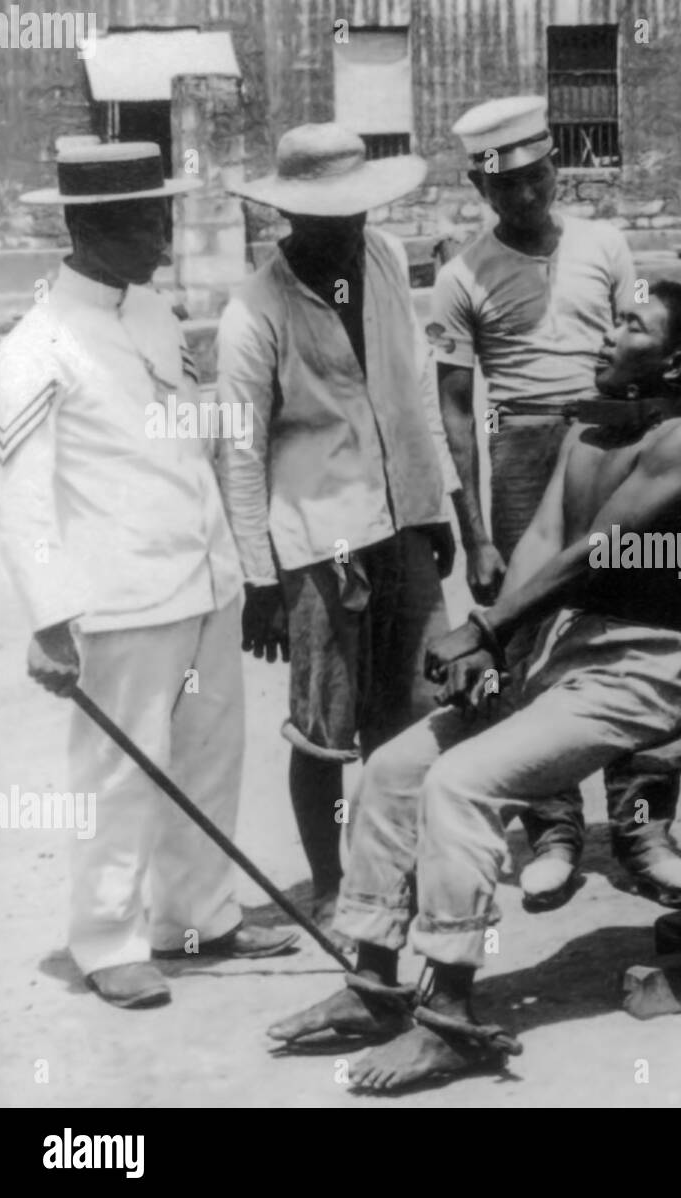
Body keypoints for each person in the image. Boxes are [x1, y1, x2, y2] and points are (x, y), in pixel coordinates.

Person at [266, 282, 681, 1093]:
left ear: (675, 360)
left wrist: (482, 631)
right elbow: (542, 540)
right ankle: (375, 986)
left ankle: (449, 1018)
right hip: (561, 659)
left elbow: (592, 553)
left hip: (642, 671)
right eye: (613, 315)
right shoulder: (588, 431)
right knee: (392, 769)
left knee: (462, 783)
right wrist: (500, 648)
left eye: (632, 326)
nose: (609, 331)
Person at [0, 139, 296, 1009]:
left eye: (163, 215)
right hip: (120, 602)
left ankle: (196, 917)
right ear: (89, 227)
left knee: (208, 757)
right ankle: (107, 938)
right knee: (120, 776)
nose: (163, 237)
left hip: (201, 580)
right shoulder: (35, 348)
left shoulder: (153, 316)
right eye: (143, 220)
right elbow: (23, 501)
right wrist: (50, 623)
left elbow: (189, 434)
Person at [431, 95, 681, 909]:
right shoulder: (461, 274)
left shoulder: (605, 243)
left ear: (553, 167)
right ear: (482, 189)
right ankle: (551, 827)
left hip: (609, 445)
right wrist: (475, 533)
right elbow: (452, 410)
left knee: (631, 619)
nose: (525, 196)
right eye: (505, 187)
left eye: (537, 177)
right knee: (527, 636)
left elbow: (641, 353)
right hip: (521, 455)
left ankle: (644, 825)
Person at [217, 124, 460, 934]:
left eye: (357, 212)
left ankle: (401, 873)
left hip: (403, 524)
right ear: (291, 215)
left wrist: (441, 503)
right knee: (324, 730)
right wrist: (261, 581)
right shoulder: (255, 311)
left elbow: (417, 387)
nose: (347, 229)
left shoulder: (387, 259)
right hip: (319, 542)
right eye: (328, 216)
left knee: (420, 711)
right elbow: (242, 455)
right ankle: (329, 884)